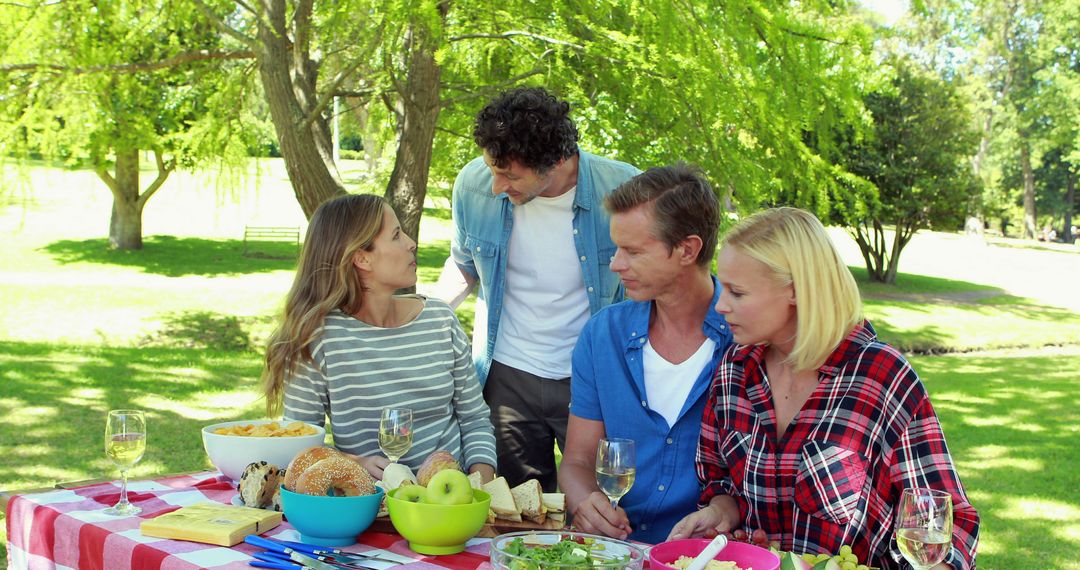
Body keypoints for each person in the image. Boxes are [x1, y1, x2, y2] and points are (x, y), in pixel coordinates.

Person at [670, 208, 979, 569]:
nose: (720, 305)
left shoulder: (881, 377)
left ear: (798, 291)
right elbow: (719, 479)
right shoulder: (734, 370)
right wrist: (721, 511)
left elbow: (945, 521)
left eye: (737, 293)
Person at [430, 87, 640, 490]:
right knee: (517, 512)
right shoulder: (473, 186)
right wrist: (422, 321)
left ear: (556, 160)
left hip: (595, 375)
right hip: (508, 377)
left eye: (509, 174)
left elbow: (651, 287)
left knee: (602, 504)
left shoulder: (624, 189)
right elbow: (463, 267)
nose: (495, 185)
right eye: (493, 168)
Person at [262, 193, 497, 482]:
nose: (411, 242)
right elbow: (299, 448)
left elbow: (475, 420)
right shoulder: (317, 340)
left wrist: (480, 486)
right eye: (397, 235)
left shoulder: (440, 321)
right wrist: (354, 462)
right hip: (368, 508)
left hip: (450, 506)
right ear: (361, 258)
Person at [558, 164, 733, 544]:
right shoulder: (602, 335)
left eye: (633, 251)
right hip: (610, 552)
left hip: (703, 558)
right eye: (617, 247)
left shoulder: (746, 341)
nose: (615, 264)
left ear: (687, 249)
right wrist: (585, 503)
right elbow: (576, 462)